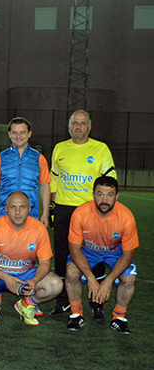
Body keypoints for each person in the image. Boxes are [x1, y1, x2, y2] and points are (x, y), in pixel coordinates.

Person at [50, 110, 117, 319]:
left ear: (89, 127)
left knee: (94, 255)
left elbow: (111, 181)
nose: (78, 127)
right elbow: (55, 179)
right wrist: (53, 207)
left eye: (82, 123)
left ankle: (97, 301)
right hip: (64, 210)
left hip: (91, 211)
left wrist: (104, 210)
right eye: (74, 123)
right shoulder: (60, 148)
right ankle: (63, 301)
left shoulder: (100, 149)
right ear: (69, 126)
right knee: (62, 255)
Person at [0, 117, 51, 316]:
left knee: (30, 254)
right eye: (14, 132)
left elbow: (45, 186)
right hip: (4, 214)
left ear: (29, 134)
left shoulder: (39, 158)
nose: (18, 136)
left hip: (31, 214)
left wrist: (45, 212)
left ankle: (29, 296)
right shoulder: (1, 158)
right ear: (9, 135)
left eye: (22, 132)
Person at [0, 192, 63, 326]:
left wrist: (34, 280)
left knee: (56, 284)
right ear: (6, 209)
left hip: (26, 275)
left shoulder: (39, 229)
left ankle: (27, 304)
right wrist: (6, 277)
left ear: (29, 209)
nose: (18, 212)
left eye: (22, 207)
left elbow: (45, 263)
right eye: (13, 207)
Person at [65, 176, 138, 334]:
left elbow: (128, 255)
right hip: (87, 251)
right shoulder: (80, 214)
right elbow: (75, 250)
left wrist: (108, 280)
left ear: (116, 196)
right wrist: (90, 278)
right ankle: (76, 314)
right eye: (100, 194)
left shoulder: (126, 218)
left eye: (109, 195)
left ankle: (119, 318)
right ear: (93, 195)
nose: (104, 200)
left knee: (129, 279)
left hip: (115, 252)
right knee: (71, 272)